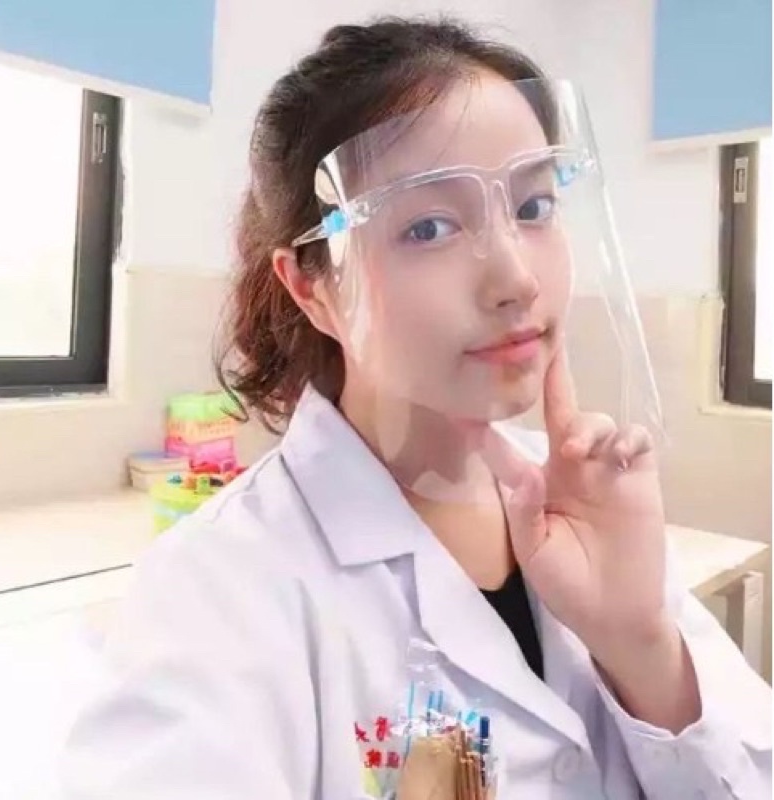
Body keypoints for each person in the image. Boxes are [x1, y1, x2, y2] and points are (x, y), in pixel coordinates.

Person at [61, 18, 772, 799]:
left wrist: (639, 646)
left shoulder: (586, 499)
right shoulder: (221, 591)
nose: (516, 279)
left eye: (534, 207)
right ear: (313, 287)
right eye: (429, 227)